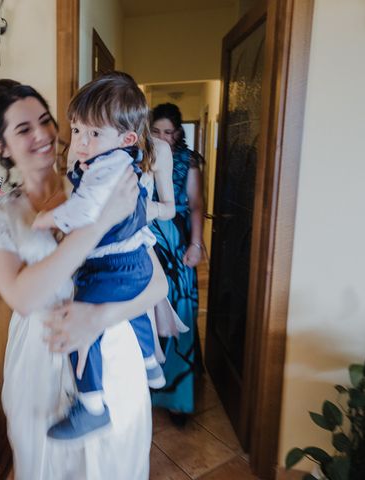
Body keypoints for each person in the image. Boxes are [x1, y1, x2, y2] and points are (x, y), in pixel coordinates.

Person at [0, 79, 168, 479]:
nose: (41, 135)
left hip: (111, 354)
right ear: (1, 147)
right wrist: (97, 224)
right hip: (39, 362)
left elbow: (157, 284)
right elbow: (24, 295)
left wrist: (97, 319)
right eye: (23, 129)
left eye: (45, 120)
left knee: (116, 465)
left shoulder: (103, 181)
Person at [32, 71, 166, 440]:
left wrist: (47, 220)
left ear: (125, 137)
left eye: (93, 133)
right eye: (76, 131)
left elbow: (84, 212)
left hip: (113, 270)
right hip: (127, 265)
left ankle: (92, 405)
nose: (82, 142)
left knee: (78, 334)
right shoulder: (105, 166)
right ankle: (152, 360)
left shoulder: (107, 172)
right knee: (131, 308)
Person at [148, 102, 205, 425]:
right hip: (146, 240)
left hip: (178, 240)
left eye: (168, 132)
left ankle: (176, 398)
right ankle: (146, 387)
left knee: (179, 314)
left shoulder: (187, 161)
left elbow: (196, 205)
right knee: (148, 315)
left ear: (178, 134)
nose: (162, 138)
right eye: (156, 131)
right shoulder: (138, 157)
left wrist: (196, 244)